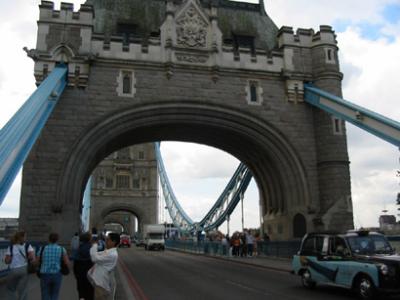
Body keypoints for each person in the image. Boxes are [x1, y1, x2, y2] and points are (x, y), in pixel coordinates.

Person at [4, 231, 36, 300]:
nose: (26, 238)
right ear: (22, 237)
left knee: (10, 289)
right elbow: (33, 258)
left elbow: (7, 261)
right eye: (25, 236)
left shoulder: (11, 247)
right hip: (24, 269)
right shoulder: (28, 246)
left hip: (13, 270)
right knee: (23, 290)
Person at [88, 233, 120, 300]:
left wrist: (95, 245)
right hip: (99, 283)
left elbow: (94, 258)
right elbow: (96, 254)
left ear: (113, 242)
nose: (105, 241)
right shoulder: (108, 251)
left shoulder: (112, 254)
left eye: (108, 239)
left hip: (101, 285)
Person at [39, 232, 70, 300]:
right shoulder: (62, 249)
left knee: (45, 293)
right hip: (57, 274)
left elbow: (37, 261)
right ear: (57, 240)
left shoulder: (42, 249)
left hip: (44, 274)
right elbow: (67, 262)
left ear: (49, 239)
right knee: (55, 294)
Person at [73, 232, 94, 300]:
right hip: (90, 276)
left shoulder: (79, 249)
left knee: (81, 293)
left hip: (80, 274)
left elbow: (75, 264)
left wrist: (76, 275)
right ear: (89, 239)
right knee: (90, 293)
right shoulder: (92, 248)